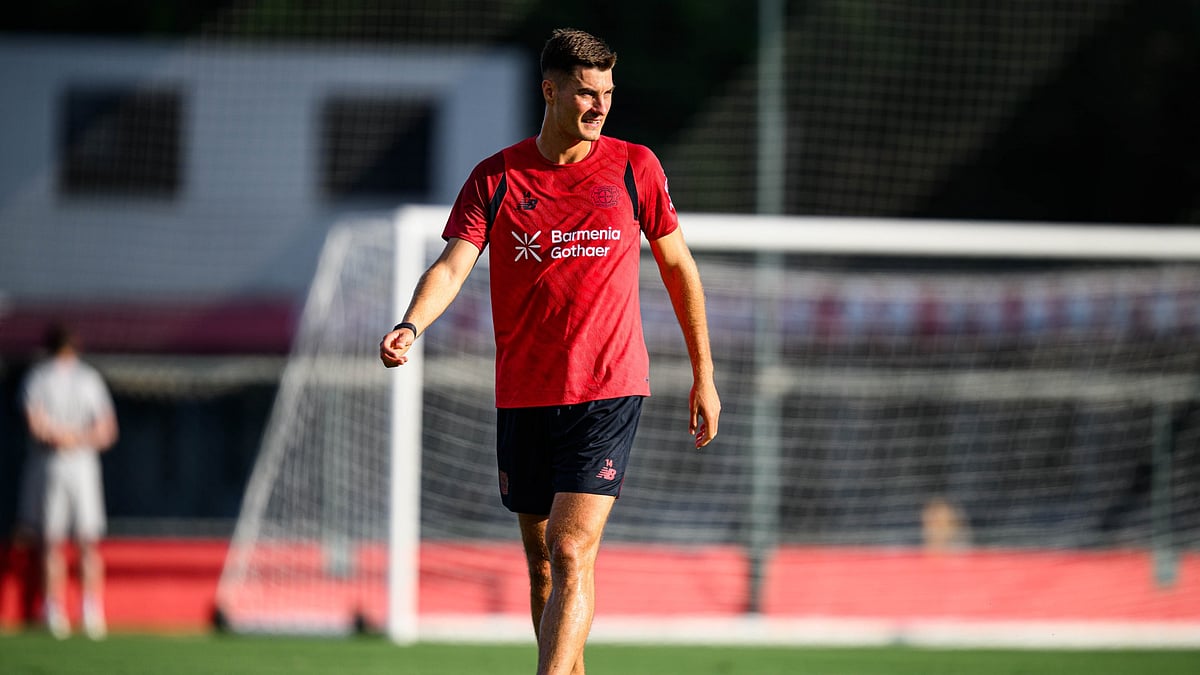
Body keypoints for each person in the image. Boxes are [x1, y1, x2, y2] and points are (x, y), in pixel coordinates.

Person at [379, 28, 720, 675]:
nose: (600, 107)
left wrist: (704, 373)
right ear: (550, 90)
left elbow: (679, 268)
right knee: (542, 568)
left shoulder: (634, 166)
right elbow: (452, 266)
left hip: (609, 388)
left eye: (609, 94)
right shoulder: (497, 178)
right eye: (587, 94)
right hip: (527, 395)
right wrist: (411, 323)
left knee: (569, 550)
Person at [19, 323, 118, 639]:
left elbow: (105, 431)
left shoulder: (78, 379)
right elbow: (40, 428)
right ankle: (66, 610)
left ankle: (80, 610)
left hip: (72, 465)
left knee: (72, 541)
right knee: (62, 541)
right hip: (63, 464)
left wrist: (68, 437)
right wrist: (78, 437)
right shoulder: (46, 378)